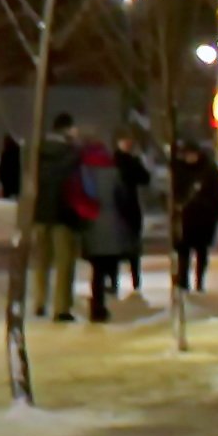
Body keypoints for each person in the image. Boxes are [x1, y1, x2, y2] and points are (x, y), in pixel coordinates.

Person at [26, 117, 88, 323]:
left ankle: (40, 301)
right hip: (64, 214)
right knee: (64, 263)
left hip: (40, 212)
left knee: (41, 260)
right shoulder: (73, 153)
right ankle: (61, 308)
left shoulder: (36, 152)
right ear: (69, 129)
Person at [79, 127, 143, 320]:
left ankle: (96, 303)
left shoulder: (83, 173)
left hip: (90, 224)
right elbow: (122, 198)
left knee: (96, 269)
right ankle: (105, 299)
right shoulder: (112, 172)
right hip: (111, 223)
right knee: (109, 261)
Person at [171, 141, 218, 298]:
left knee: (201, 250)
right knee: (184, 251)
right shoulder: (179, 170)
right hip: (186, 216)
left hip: (203, 216)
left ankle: (199, 281)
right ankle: (183, 281)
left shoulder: (208, 170)